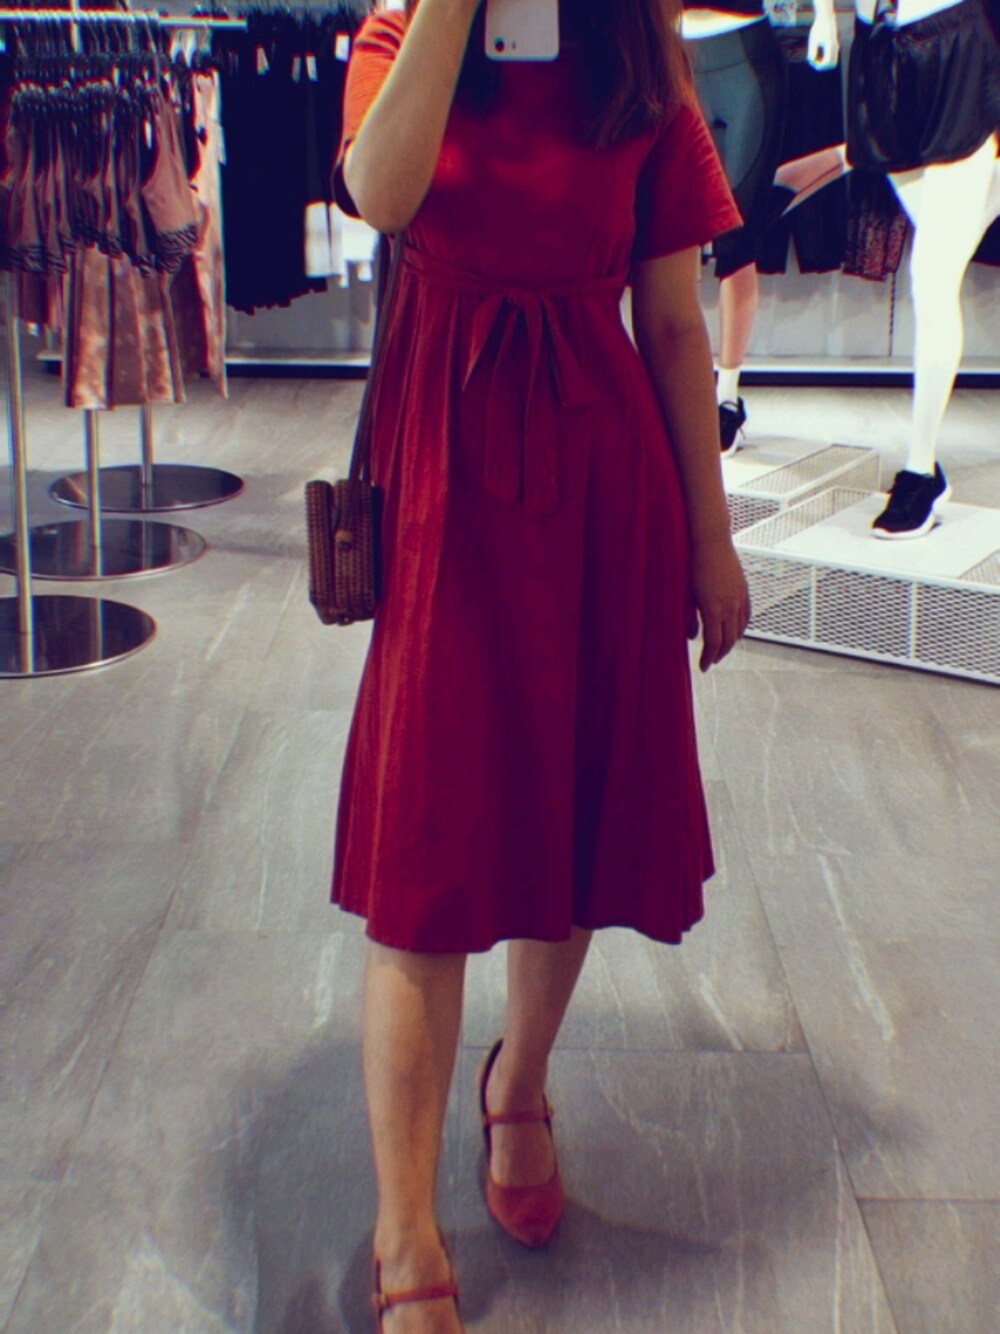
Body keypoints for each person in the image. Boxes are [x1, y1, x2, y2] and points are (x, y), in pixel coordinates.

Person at [330, 1, 751, 1328]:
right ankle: (404, 1228)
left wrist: (710, 540)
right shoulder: (402, 30)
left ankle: (517, 1082)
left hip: (599, 471)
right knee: (425, 846)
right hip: (444, 469)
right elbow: (380, 194)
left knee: (568, 813)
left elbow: (673, 319)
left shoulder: (637, 43)